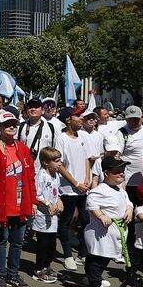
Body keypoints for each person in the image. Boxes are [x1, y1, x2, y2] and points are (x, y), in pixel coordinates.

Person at [0, 111, 35, 287]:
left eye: (14, 124)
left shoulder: (22, 148)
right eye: (7, 124)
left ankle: (13, 274)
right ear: (0, 128)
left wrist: (33, 202)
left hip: (21, 204)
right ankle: (0, 275)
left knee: (17, 242)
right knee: (1, 241)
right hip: (2, 204)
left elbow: (30, 177)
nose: (12, 127)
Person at [84, 156, 132, 287]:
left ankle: (93, 277)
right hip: (101, 233)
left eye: (123, 171)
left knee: (105, 257)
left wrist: (129, 210)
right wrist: (100, 215)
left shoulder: (120, 190)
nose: (121, 174)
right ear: (106, 173)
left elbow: (128, 202)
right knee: (98, 257)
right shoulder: (100, 190)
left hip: (115, 232)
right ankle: (95, 286)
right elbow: (91, 202)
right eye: (117, 171)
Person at [54, 108, 93, 274]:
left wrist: (87, 179)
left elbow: (86, 158)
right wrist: (75, 182)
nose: (81, 118)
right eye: (78, 116)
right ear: (68, 120)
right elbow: (59, 165)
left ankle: (83, 254)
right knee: (66, 220)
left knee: (86, 220)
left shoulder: (83, 136)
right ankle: (68, 255)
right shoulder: (61, 139)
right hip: (68, 188)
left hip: (83, 188)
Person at [29, 146, 63, 285]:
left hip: (53, 216)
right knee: (42, 243)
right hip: (43, 216)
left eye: (59, 161)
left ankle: (47, 266)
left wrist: (59, 201)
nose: (59, 164)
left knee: (52, 243)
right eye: (56, 161)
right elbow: (37, 194)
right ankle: (39, 269)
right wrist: (48, 204)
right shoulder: (41, 175)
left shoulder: (56, 175)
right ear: (46, 162)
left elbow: (57, 191)